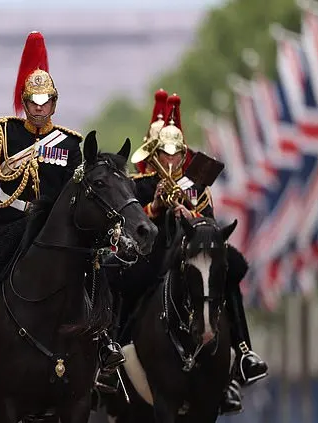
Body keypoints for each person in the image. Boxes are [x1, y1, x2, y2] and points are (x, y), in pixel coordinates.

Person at [0, 30, 125, 377]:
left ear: (54, 103)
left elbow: (79, 190)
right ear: (25, 100)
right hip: (13, 223)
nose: (38, 107)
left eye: (45, 101)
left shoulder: (71, 144)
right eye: (33, 100)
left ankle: (105, 339)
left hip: (54, 225)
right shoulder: (7, 132)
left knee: (92, 264)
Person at [125, 91, 268, 415]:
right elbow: (134, 223)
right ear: (156, 153)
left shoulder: (196, 185)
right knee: (126, 276)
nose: (172, 161)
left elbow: (211, 225)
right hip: (156, 254)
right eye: (165, 153)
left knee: (226, 271)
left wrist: (193, 215)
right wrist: (157, 206)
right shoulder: (142, 184)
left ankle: (243, 353)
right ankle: (111, 352)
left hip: (191, 253)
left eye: (177, 155)